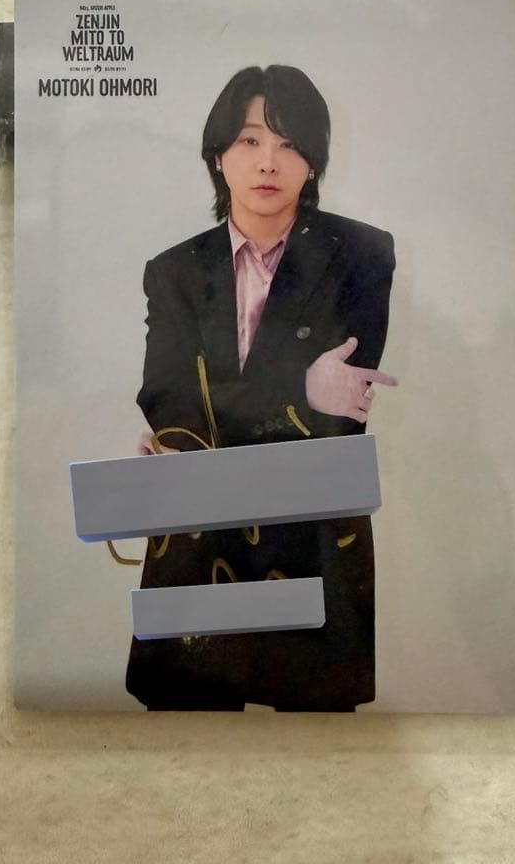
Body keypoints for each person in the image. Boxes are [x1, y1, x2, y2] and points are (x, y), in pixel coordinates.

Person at [125, 65, 396, 711]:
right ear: (218, 156)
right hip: (200, 538)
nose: (268, 161)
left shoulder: (361, 254)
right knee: (187, 735)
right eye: (249, 140)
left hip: (311, 534)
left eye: (289, 143)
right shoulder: (174, 270)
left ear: (314, 161)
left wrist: (204, 435)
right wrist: (301, 389)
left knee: (313, 739)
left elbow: (340, 413)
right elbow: (166, 397)